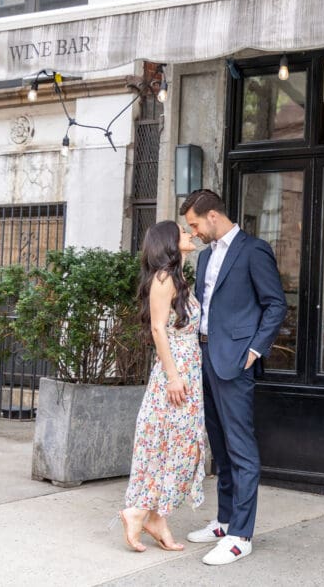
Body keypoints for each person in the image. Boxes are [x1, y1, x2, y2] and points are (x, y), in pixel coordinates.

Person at [180, 189, 287, 566]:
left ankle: (241, 535)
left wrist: (255, 350)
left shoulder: (253, 250)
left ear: (212, 216)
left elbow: (276, 303)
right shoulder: (206, 256)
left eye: (194, 224)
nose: (192, 233)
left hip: (235, 360)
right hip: (204, 355)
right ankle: (225, 521)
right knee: (220, 446)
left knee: (241, 447)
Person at [118, 221, 206, 552]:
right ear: (170, 242)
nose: (191, 235)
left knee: (178, 448)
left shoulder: (179, 280)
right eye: (184, 233)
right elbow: (158, 330)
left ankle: (156, 517)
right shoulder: (163, 279)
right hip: (175, 377)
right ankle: (140, 512)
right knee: (170, 446)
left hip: (187, 374)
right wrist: (172, 376)